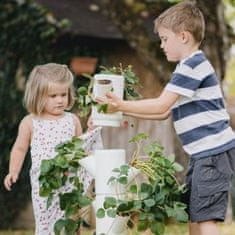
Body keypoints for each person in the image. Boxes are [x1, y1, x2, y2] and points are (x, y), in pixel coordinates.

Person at [96, 1, 235, 235]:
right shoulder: (187, 68)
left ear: (183, 36)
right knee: (195, 211)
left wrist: (120, 104)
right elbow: (162, 113)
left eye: (164, 39)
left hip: (213, 152)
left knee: (206, 217)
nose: (161, 45)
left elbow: (161, 104)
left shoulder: (192, 66)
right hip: (204, 154)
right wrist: (122, 110)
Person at [3, 63, 92, 235]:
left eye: (63, 94)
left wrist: (91, 130)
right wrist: (13, 171)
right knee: (46, 223)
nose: (60, 100)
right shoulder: (30, 122)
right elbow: (19, 149)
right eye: (53, 96)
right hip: (44, 186)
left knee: (70, 222)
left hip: (69, 183)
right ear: (37, 96)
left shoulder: (71, 120)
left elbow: (81, 147)